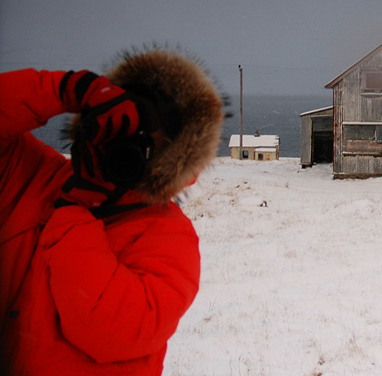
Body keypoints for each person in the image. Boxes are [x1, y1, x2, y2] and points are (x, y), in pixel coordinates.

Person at [0, 47, 225, 375]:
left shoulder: (168, 235)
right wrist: (68, 89)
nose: (127, 139)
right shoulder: (37, 176)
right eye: (121, 122)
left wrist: (76, 209)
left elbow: (119, 332)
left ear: (178, 149)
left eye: (147, 132)